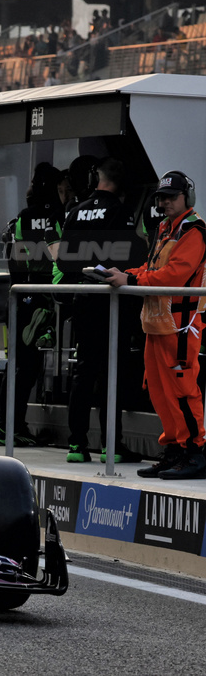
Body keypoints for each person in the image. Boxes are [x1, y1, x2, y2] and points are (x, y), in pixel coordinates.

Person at [105, 171, 206, 479]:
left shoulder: (195, 231)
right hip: (157, 324)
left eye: (171, 197)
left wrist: (132, 279)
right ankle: (175, 449)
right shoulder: (164, 229)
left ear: (186, 198)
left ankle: (196, 452)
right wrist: (121, 274)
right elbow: (153, 268)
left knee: (182, 389)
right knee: (160, 391)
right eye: (161, 197)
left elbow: (175, 274)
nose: (164, 202)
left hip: (180, 325)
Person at [54, 157, 144, 464]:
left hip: (83, 299)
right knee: (111, 372)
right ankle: (111, 446)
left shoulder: (76, 212)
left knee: (83, 371)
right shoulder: (120, 211)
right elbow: (133, 258)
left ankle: (76, 445)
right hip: (112, 301)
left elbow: (64, 262)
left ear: (96, 179)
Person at [2, 162, 65, 446]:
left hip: (18, 294)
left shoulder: (21, 218)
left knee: (17, 364)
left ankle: (8, 426)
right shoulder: (56, 217)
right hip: (39, 296)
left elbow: (11, 258)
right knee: (26, 367)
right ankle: (12, 427)